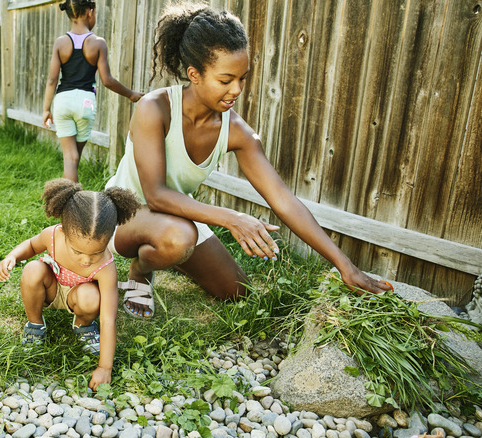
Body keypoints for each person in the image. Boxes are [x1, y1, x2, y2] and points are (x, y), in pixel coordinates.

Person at [105, 2, 394, 318]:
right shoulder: (154, 109)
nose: (237, 90)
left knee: (238, 293)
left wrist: (344, 265)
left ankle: (168, 253)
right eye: (226, 79)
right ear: (194, 74)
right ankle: (142, 270)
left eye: (242, 78)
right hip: (125, 212)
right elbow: (156, 195)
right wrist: (232, 218)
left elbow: (283, 200)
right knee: (178, 238)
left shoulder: (237, 133)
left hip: (177, 218)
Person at [0, 178, 140, 390]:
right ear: (63, 232)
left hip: (79, 296)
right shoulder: (52, 236)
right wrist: (12, 257)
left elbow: (108, 319)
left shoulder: (106, 268)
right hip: (51, 289)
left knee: (91, 297)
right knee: (32, 270)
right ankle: (35, 325)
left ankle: (83, 326)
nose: (86, 260)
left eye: (96, 252)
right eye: (78, 251)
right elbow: (31, 245)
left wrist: (104, 367)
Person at [42, 0, 144, 183]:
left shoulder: (60, 42)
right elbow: (108, 80)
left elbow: (52, 79)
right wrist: (131, 94)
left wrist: (45, 109)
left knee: (69, 158)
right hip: (85, 103)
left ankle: (65, 202)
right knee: (74, 158)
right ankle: (71, 204)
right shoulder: (98, 43)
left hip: (63, 101)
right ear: (90, 12)